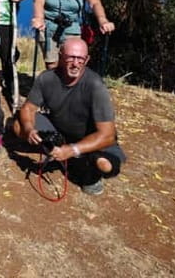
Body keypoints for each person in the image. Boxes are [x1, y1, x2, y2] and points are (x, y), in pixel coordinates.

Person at [13, 38, 125, 195]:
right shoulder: (47, 78)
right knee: (19, 126)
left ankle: (85, 170)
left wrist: (73, 149)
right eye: (70, 57)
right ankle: (61, 154)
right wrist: (29, 128)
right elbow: (28, 109)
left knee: (105, 165)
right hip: (60, 132)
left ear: (87, 60)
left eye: (80, 59)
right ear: (60, 56)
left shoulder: (95, 85)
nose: (75, 63)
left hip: (89, 139)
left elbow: (108, 135)